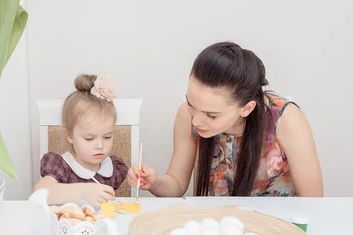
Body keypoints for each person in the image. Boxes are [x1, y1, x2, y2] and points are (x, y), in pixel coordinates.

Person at [128, 41, 322, 197]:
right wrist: (155, 183)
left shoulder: (286, 120)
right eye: (191, 103)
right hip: (212, 231)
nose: (196, 121)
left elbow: (313, 201)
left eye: (211, 115)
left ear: (246, 108)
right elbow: (176, 184)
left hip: (276, 232)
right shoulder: (186, 115)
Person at [34, 74, 129, 206]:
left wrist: (138, 177)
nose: (100, 145)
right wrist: (83, 191)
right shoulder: (61, 166)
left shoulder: (113, 168)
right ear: (70, 136)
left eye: (107, 136)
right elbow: (40, 193)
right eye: (89, 138)